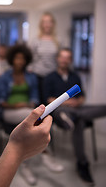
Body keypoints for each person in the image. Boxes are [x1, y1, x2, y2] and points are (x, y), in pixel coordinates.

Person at [0, 44, 63, 185]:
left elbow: (35, 98)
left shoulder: (31, 77)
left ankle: (25, 164)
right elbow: (0, 102)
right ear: (11, 59)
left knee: (33, 120)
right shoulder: (4, 77)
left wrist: (29, 104)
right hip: (9, 111)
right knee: (34, 119)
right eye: (17, 58)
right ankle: (45, 154)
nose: (19, 61)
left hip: (28, 110)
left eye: (22, 59)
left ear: (26, 60)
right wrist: (17, 105)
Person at [44, 47, 106, 185]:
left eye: (68, 57)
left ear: (70, 60)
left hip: (77, 109)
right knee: (66, 113)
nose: (65, 60)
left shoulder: (75, 76)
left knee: (98, 109)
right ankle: (82, 163)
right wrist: (65, 102)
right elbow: (47, 99)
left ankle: (73, 119)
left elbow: (82, 96)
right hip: (60, 110)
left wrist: (78, 101)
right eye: (62, 56)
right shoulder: (49, 77)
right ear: (57, 58)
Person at [28, 12, 59, 103]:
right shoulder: (35, 40)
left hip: (53, 76)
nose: (47, 24)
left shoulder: (58, 40)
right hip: (38, 76)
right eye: (45, 22)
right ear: (41, 24)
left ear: (53, 24)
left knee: (52, 102)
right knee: (40, 103)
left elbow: (60, 58)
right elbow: (30, 58)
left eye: (49, 22)